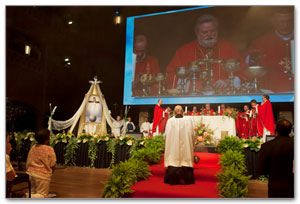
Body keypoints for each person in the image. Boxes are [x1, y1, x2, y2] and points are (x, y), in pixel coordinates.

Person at [166, 14, 240, 93]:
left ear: (217, 31)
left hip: (224, 96)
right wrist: (193, 85)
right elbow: (171, 75)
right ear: (197, 33)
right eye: (205, 32)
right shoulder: (183, 51)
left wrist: (229, 81)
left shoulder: (229, 48)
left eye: (212, 31)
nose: (209, 34)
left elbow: (243, 73)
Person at [244, 8, 294, 93]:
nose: (285, 25)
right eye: (281, 22)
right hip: (272, 93)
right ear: (273, 22)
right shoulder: (261, 43)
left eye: (288, 21)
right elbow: (248, 66)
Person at [257, 119, 294, 198]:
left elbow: (261, 170)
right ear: (290, 131)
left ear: (275, 130)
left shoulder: (266, 146)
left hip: (274, 184)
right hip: (293, 184)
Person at [164, 105, 196, 185]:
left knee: (173, 161)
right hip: (186, 148)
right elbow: (192, 134)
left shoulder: (170, 121)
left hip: (173, 148)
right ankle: (187, 179)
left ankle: (172, 179)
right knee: (185, 160)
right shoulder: (188, 120)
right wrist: (192, 144)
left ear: (174, 112)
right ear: (182, 112)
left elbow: (166, 135)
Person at [26, 128, 56, 198]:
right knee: (42, 195)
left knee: (32, 191)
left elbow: (28, 161)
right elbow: (52, 164)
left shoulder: (33, 147)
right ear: (47, 139)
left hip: (30, 174)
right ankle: (24, 196)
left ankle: (27, 196)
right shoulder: (49, 149)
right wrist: (50, 173)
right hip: (42, 176)